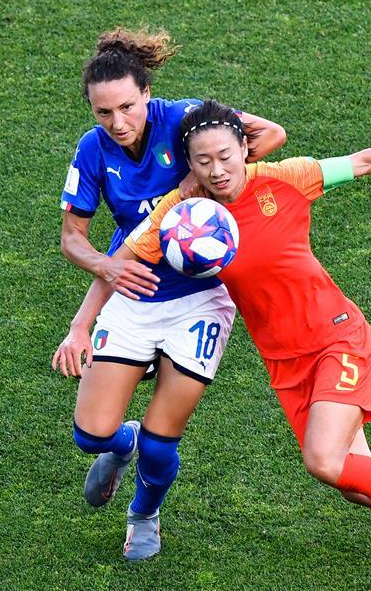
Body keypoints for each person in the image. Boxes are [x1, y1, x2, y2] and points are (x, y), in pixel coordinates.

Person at [55, 100, 371, 573]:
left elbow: (364, 160)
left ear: (244, 149)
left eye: (227, 156)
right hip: (286, 364)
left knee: (323, 461)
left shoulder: (286, 178)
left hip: (337, 340)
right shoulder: (182, 214)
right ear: (189, 165)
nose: (218, 170)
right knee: (352, 483)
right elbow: (121, 260)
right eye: (204, 161)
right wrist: (82, 322)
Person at [52, 31, 286, 562]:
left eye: (128, 107)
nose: (118, 122)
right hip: (133, 288)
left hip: (202, 299)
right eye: (103, 112)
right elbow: (72, 237)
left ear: (148, 94)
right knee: (92, 435)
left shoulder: (184, 120)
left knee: (163, 441)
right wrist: (105, 268)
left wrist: (202, 176)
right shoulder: (93, 151)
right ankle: (121, 445)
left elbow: (270, 134)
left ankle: (143, 514)